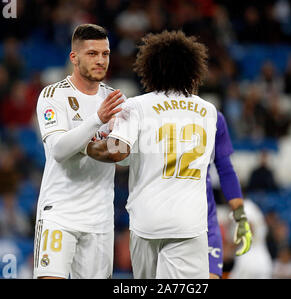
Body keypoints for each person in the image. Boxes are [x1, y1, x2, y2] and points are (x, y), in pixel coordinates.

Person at [87, 30, 252, 279]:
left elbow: (118, 152)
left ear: (150, 68)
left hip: (146, 219)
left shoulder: (136, 105)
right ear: (193, 70)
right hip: (190, 222)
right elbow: (224, 167)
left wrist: (88, 146)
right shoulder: (209, 112)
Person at [33, 24, 125, 279]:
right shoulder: (53, 95)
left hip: (100, 219)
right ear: (74, 57)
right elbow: (59, 150)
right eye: (92, 54)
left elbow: (123, 156)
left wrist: (122, 145)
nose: (101, 60)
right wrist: (97, 119)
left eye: (105, 54)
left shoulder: (117, 100)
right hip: (59, 214)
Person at [206, 111, 249, 279]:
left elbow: (225, 170)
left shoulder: (212, 116)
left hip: (205, 221)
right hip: (165, 223)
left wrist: (240, 217)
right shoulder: (145, 109)